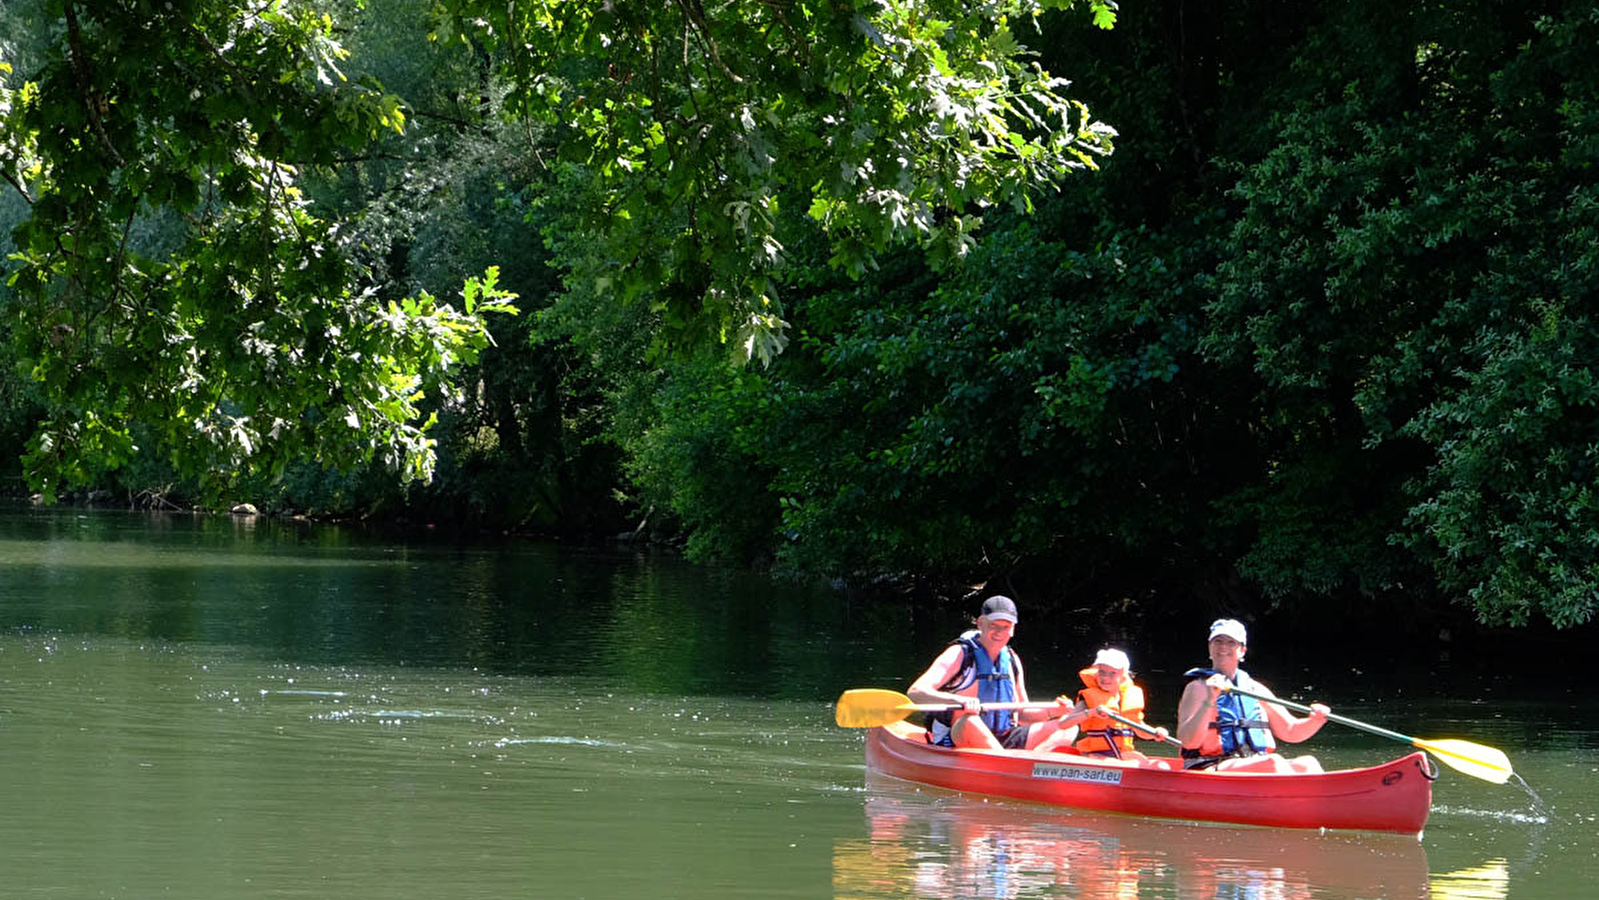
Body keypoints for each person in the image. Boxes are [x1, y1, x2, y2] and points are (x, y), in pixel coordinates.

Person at [907, 595, 1072, 750]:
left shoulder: (1012, 659)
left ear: (1013, 630)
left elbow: (1022, 713)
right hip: (957, 738)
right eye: (993, 625)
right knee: (970, 721)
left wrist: (1053, 711)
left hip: (1003, 738)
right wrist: (958, 700)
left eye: (1006, 627)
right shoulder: (959, 654)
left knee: (1068, 725)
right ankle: (1008, 766)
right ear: (980, 623)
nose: (999, 632)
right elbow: (915, 693)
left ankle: (1032, 766)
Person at [1175, 618, 1330, 773]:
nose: (1223, 646)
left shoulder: (1254, 689)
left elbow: (1290, 730)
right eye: (1217, 641)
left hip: (1250, 763)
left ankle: (1314, 796)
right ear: (1210, 647)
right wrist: (1209, 700)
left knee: (1308, 764)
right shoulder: (1197, 687)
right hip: (1207, 765)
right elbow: (1189, 742)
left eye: (1231, 642)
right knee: (1272, 762)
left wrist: (1315, 720)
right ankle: (1297, 795)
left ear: (1242, 650)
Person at [1035, 648, 1170, 758]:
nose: (1105, 678)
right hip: (1095, 754)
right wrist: (1091, 712)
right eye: (1102, 672)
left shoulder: (1128, 697)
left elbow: (1140, 730)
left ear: (1123, 675)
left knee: (1157, 765)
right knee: (1128, 763)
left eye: (1112, 673)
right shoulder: (1088, 699)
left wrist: (1155, 733)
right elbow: (1064, 723)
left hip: (1121, 753)